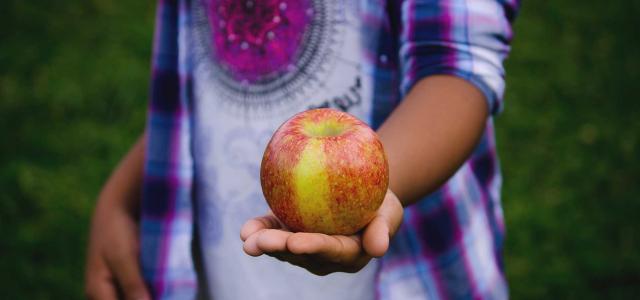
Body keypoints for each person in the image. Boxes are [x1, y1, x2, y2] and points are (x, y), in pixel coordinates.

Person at [85, 0, 519, 299]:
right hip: (225, 266)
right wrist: (121, 195)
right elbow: (205, 84)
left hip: (403, 270)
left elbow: (456, 67)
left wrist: (378, 191)